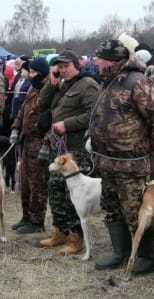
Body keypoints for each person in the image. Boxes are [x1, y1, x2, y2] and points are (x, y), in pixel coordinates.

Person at [89, 39, 154, 274]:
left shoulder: (137, 82)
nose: (95, 62)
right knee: (112, 208)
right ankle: (120, 252)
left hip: (131, 164)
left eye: (99, 58)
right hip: (106, 161)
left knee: (135, 211)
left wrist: (152, 146)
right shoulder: (109, 82)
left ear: (112, 60)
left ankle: (145, 256)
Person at [37, 49, 100, 254]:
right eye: (59, 67)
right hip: (60, 148)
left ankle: (76, 237)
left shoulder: (88, 85)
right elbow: (41, 104)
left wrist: (68, 124)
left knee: (71, 195)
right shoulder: (61, 85)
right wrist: (51, 83)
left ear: (76, 65)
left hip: (76, 148)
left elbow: (93, 115)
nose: (62, 70)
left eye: (66, 66)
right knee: (55, 190)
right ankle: (60, 231)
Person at [10, 57, 50, 234]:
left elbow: (53, 117)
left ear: (41, 73)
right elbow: (22, 111)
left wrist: (47, 142)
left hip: (40, 141)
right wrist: (15, 129)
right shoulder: (33, 89)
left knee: (37, 184)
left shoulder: (49, 90)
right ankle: (26, 216)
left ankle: (36, 221)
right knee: (24, 182)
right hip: (27, 140)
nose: (30, 74)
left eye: (33, 72)